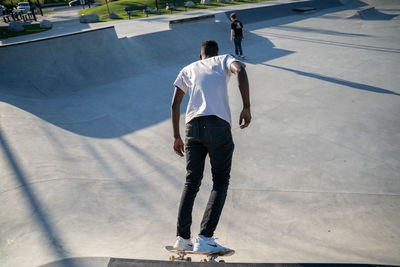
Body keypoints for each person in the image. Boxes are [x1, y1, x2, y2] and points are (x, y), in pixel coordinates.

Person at [171, 40, 251, 253]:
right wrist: (247, 106)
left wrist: (176, 136)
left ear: (200, 56)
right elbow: (240, 70)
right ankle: (205, 237)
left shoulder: (188, 68)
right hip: (217, 125)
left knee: (191, 182)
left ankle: (182, 238)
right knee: (220, 181)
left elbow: (175, 104)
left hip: (191, 128)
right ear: (216, 53)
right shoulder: (224, 59)